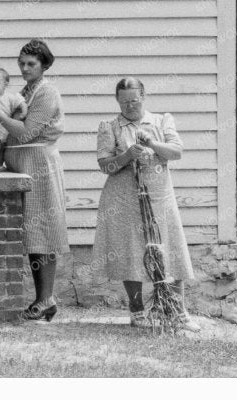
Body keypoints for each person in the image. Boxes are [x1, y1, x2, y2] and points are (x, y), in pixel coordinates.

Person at [0, 38, 68, 319]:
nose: (25, 67)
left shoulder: (46, 92)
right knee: (32, 233)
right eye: (21, 63)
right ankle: (44, 299)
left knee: (43, 229)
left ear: (44, 65)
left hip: (39, 163)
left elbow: (27, 132)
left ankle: (46, 297)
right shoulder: (23, 92)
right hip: (23, 163)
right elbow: (10, 130)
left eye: (31, 63)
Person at [94, 78, 192, 326]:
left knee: (171, 246)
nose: (129, 106)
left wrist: (151, 144)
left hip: (160, 194)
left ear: (144, 97)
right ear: (118, 101)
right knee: (131, 252)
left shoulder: (161, 121)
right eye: (124, 101)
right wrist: (127, 155)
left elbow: (176, 151)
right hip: (124, 198)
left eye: (134, 101)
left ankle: (177, 311)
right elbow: (105, 166)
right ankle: (137, 312)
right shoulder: (110, 126)